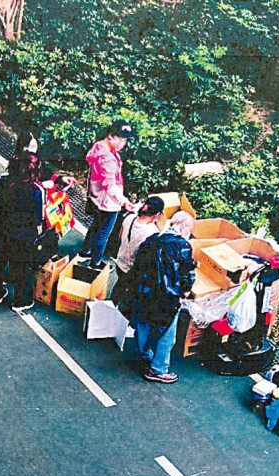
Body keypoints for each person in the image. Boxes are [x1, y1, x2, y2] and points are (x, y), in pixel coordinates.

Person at [129, 211, 196, 383]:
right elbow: (187, 274)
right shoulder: (183, 246)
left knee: (143, 324)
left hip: (143, 292)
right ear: (183, 228)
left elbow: (137, 265)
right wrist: (185, 290)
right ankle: (158, 369)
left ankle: (143, 354)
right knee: (166, 334)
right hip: (166, 297)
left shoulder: (152, 239)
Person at [0, 153, 44, 312]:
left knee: (0, 261)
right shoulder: (36, 191)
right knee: (20, 269)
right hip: (23, 237)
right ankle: (19, 302)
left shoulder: (4, 182)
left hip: (3, 231)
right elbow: (38, 218)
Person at [80, 120, 136, 269]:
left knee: (95, 226)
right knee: (104, 233)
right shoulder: (108, 159)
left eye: (125, 140)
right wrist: (124, 201)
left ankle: (84, 252)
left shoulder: (99, 146)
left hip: (96, 195)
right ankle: (95, 262)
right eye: (120, 139)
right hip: (108, 202)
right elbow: (109, 186)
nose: (123, 143)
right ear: (111, 136)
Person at [110, 196, 165, 313]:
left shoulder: (129, 218)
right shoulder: (152, 233)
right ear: (157, 215)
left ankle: (110, 306)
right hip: (133, 270)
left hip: (120, 262)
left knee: (119, 285)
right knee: (129, 295)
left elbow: (120, 236)